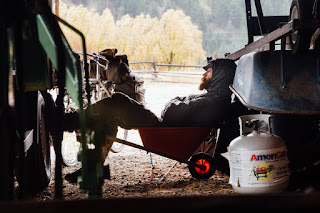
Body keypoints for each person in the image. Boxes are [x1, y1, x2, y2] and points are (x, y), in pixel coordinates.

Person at [62, 57, 237, 182]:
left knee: (118, 102)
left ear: (221, 75)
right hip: (167, 129)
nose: (205, 73)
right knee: (111, 114)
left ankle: (70, 121)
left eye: (209, 70)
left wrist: (175, 101)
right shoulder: (214, 98)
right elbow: (176, 106)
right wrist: (176, 102)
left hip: (164, 132)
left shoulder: (213, 101)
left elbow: (171, 111)